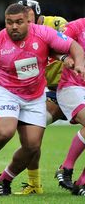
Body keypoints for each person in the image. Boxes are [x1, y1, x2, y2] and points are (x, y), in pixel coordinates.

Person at [0, 3, 85, 195]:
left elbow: (73, 45)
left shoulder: (43, 33)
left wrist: (78, 63)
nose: (14, 26)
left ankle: (5, 178)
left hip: (35, 95)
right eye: (9, 22)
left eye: (19, 22)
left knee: (32, 146)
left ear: (28, 22)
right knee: (5, 132)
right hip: (6, 92)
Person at [14, 0, 69, 195]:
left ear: (38, 15)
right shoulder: (18, 36)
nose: (23, 25)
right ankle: (35, 183)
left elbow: (70, 45)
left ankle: (68, 170)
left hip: (74, 87)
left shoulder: (56, 24)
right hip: (53, 94)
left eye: (27, 19)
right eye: (19, 20)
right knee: (30, 134)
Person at [54, 18, 85, 196]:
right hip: (71, 87)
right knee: (31, 139)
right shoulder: (76, 27)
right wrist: (65, 58)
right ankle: (66, 168)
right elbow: (53, 48)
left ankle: (81, 183)